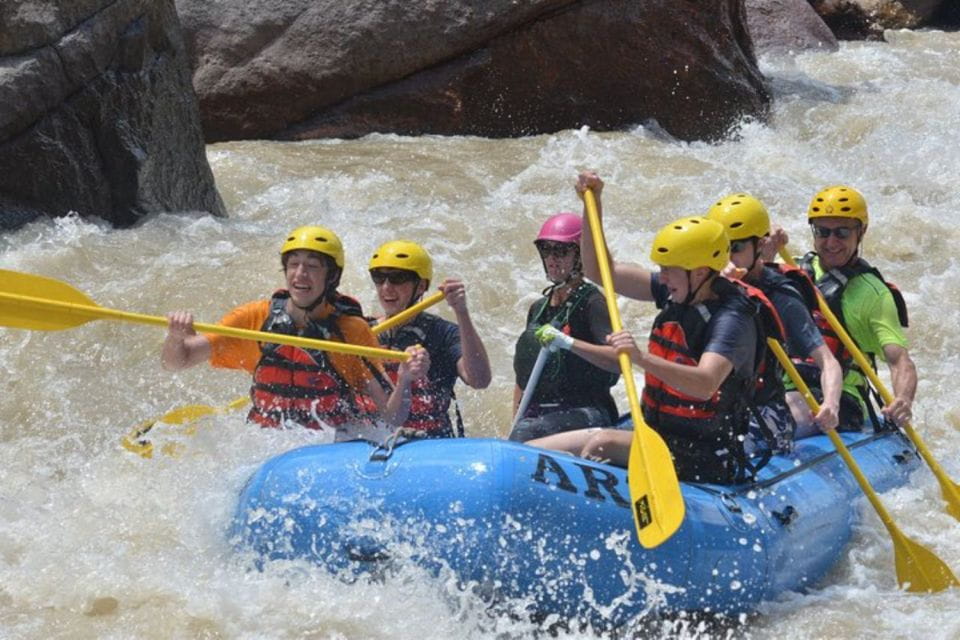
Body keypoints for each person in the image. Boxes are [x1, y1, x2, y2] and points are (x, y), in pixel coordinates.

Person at [529, 172, 782, 484]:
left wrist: (640, 358)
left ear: (700, 272)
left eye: (668, 271)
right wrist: (592, 205)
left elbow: (705, 383)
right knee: (532, 451)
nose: (661, 278)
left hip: (705, 453)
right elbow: (600, 271)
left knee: (601, 445)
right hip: (659, 435)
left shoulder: (733, 318)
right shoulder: (679, 291)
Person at [161, 225, 429, 442]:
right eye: (293, 264)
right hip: (263, 441)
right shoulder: (254, 317)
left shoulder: (350, 330)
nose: (300, 274)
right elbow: (177, 362)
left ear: (331, 277)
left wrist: (404, 379)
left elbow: (392, 417)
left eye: (312, 266)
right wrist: (175, 338)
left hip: (326, 443)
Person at [768, 185, 916, 430]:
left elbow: (899, 360)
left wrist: (903, 399)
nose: (831, 242)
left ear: (862, 232)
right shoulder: (791, 272)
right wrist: (765, 255)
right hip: (782, 388)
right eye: (823, 231)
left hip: (842, 402)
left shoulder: (874, 295)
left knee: (788, 410)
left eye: (842, 232)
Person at [707, 193, 843, 443]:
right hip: (716, 403)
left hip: (761, 409)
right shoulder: (700, 283)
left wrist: (831, 404)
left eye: (735, 248)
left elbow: (828, 362)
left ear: (757, 246)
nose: (726, 259)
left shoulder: (781, 297)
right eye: (720, 249)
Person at [509, 212, 620, 442]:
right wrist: (514, 423)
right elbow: (524, 377)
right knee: (520, 432)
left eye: (560, 251)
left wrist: (568, 343)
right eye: (546, 250)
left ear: (579, 256)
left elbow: (618, 360)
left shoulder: (593, 303)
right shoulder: (538, 308)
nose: (551, 258)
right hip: (542, 413)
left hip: (588, 411)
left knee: (527, 433)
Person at [367, 240, 491, 437]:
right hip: (377, 440)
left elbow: (479, 380)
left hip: (431, 442)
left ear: (421, 286)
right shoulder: (364, 332)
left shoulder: (443, 333)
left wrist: (462, 312)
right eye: (379, 278)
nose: (386, 287)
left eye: (398, 278)